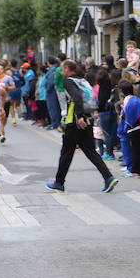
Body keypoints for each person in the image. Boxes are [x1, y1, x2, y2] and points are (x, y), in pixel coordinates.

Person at [44, 60, 118, 194]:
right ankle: (108, 177)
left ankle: (59, 183)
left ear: (67, 69)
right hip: (86, 120)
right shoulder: (83, 81)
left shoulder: (69, 82)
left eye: (62, 69)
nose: (61, 72)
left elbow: (77, 98)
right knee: (90, 151)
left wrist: (80, 116)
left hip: (75, 122)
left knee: (66, 152)